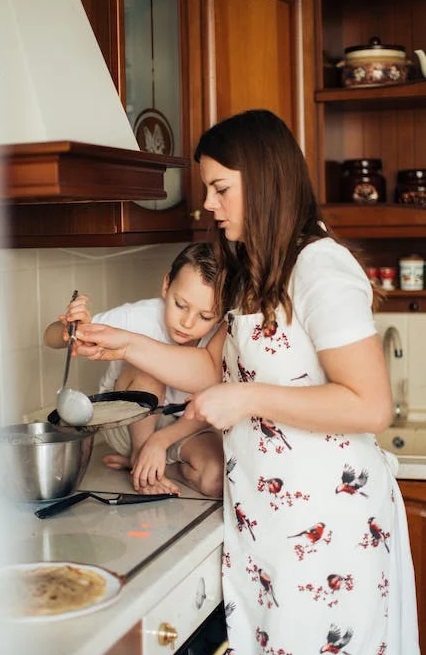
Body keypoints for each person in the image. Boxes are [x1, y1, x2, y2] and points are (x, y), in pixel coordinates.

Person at [73, 110, 419, 654]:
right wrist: (124, 342)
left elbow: (370, 405)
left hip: (328, 527)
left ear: (264, 179)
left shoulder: (319, 269)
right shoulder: (253, 270)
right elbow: (212, 370)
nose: (209, 204)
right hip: (266, 520)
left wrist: (248, 397)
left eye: (220, 188)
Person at [44, 242, 224, 498]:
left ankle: (147, 465)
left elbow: (215, 403)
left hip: (186, 426)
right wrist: (72, 328)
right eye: (180, 305)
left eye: (205, 316)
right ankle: (141, 455)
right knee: (149, 368)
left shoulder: (221, 339)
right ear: (166, 286)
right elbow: (49, 337)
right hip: (128, 425)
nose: (187, 322)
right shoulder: (138, 317)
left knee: (215, 479)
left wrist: (160, 442)